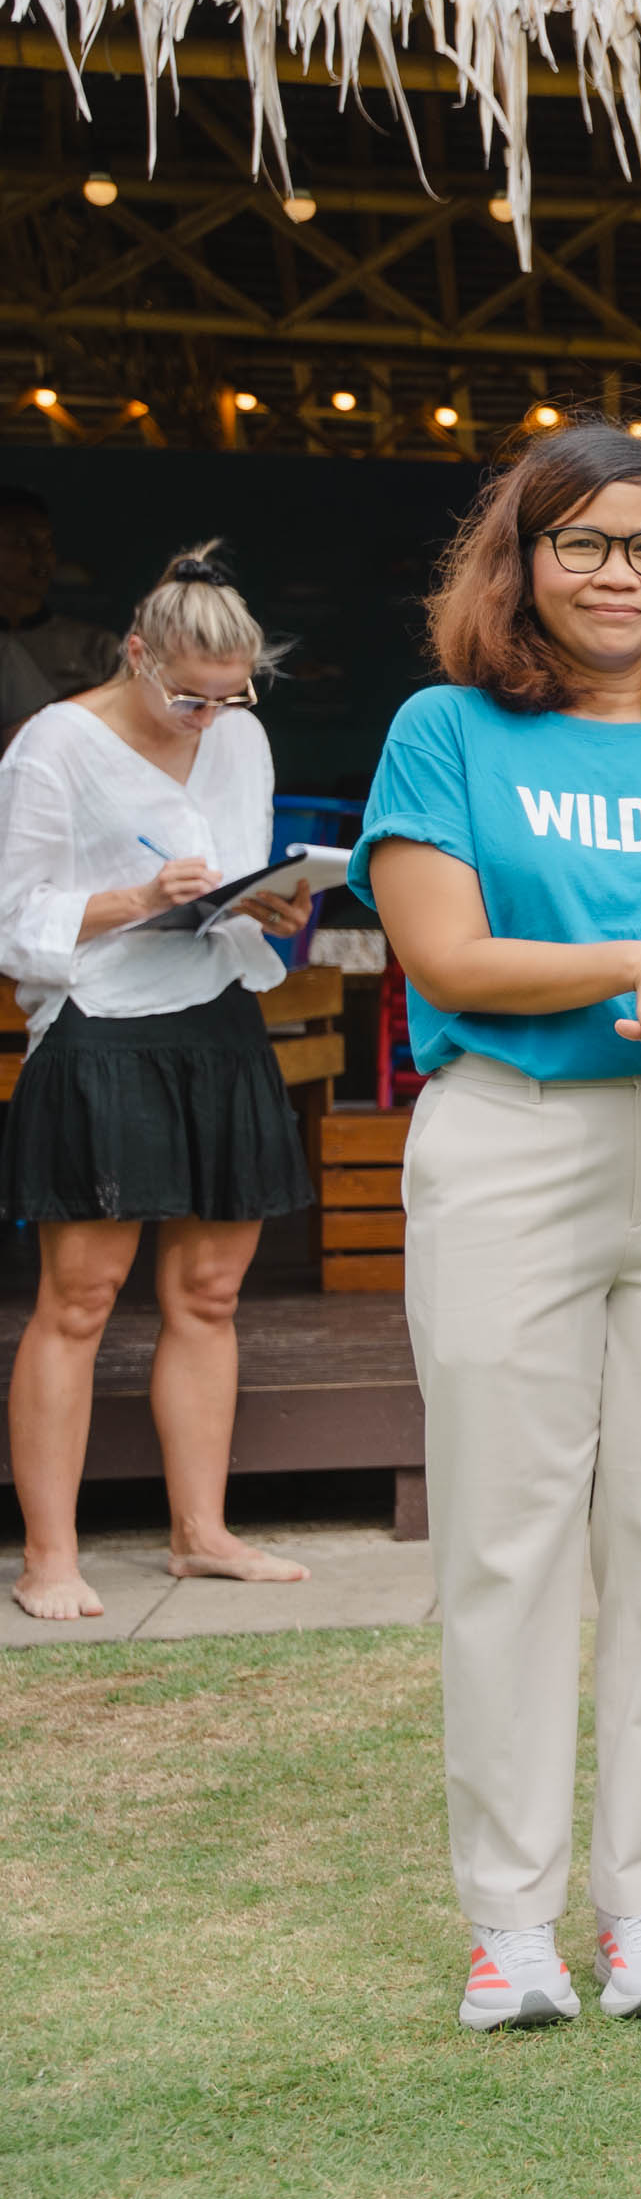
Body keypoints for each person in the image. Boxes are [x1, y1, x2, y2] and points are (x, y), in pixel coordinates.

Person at [353, 419, 641, 2032]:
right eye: (586, 543)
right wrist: (638, 967)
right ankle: (508, 1922)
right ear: (522, 561)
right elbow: (450, 959)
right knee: (508, 1529)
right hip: (509, 1142)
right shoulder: (446, 729)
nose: (622, 575)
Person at [0, 547, 318, 1620]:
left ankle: (203, 1534)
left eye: (231, 698)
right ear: (136, 654)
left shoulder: (239, 734)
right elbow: (15, 921)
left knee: (212, 1294)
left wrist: (269, 902)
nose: (208, 716)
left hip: (217, 1014)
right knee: (80, 1301)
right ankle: (50, 1553)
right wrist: (137, 894)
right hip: (101, 1023)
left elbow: (234, 876)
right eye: (188, 694)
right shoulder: (54, 745)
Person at [0, 488, 125, 750]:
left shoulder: (98, 646)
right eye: (22, 543)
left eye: (47, 544)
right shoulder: (8, 649)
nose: (40, 556)